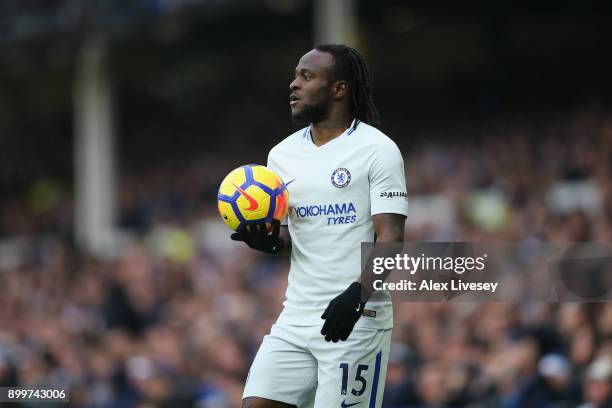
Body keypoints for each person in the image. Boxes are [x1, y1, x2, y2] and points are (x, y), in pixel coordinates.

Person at [232, 44, 408, 408]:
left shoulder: (377, 150)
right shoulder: (280, 156)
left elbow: (391, 237)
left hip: (358, 318)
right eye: (296, 75)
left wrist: (357, 296)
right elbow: (287, 237)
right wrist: (269, 244)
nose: (294, 84)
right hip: (295, 316)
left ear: (339, 89)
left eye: (307, 77)